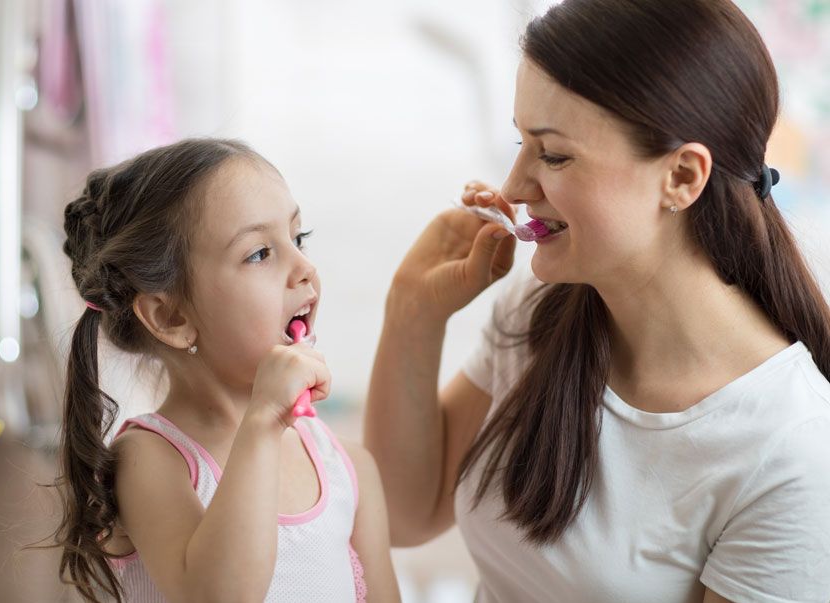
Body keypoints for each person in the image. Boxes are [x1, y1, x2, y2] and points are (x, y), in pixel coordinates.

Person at [364, 1, 830, 601]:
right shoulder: (541, 309)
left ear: (683, 177)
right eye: (520, 142)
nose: (512, 187)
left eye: (553, 154)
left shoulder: (792, 453)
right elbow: (406, 512)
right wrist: (414, 311)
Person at [53, 138, 399, 602]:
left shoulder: (349, 472)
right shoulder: (150, 461)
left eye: (298, 239)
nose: (303, 268)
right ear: (171, 317)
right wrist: (261, 425)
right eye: (259, 253)